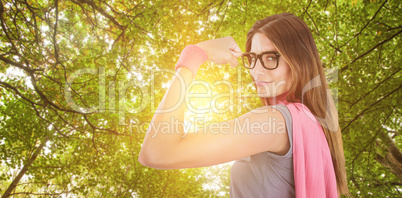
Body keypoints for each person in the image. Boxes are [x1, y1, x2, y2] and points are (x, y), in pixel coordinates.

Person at [139, 13, 350, 197]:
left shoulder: (274, 121)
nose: (256, 71)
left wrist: (194, 54)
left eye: (270, 57)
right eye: (252, 58)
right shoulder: (315, 126)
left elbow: (157, 152)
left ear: (299, 61)